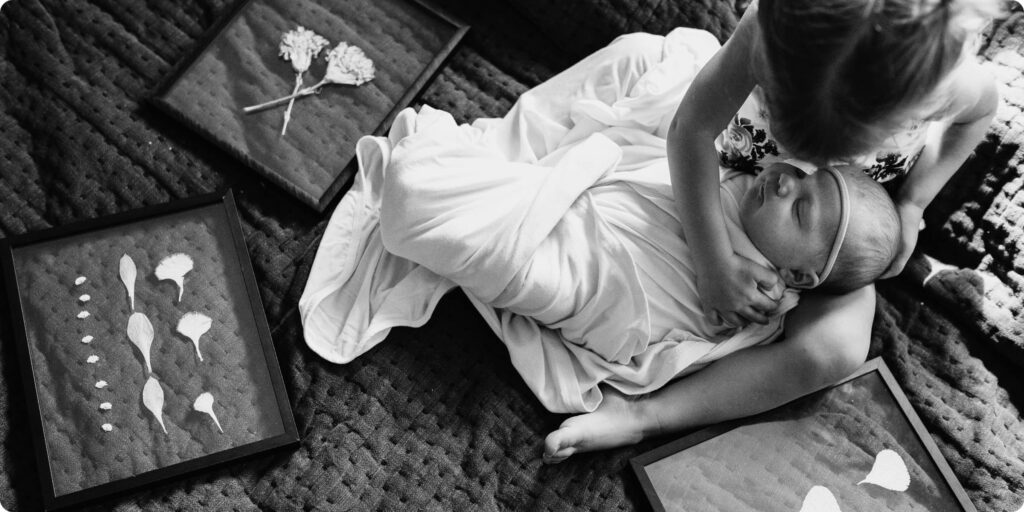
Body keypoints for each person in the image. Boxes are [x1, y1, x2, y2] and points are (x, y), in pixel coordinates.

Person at [542, 0, 999, 463]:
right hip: (729, 169)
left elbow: (979, 114)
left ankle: (646, 416)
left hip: (834, 229)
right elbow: (692, 129)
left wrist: (912, 202)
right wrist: (713, 262)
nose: (802, 165)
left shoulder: (949, 85)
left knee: (836, 349)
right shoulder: (769, 26)